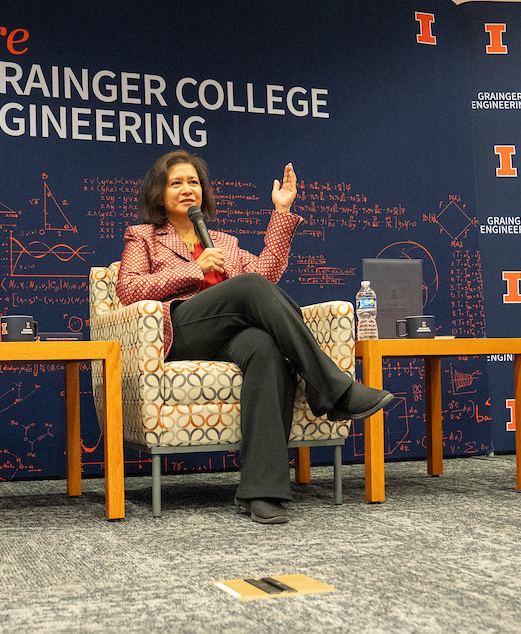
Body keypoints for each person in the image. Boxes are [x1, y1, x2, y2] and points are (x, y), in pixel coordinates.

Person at [116, 150, 394, 524]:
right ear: (159, 193)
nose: (187, 190)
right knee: (248, 287)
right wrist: (192, 272)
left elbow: (267, 274)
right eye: (176, 183)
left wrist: (281, 213)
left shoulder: (223, 241)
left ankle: (261, 492)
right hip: (177, 330)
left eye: (194, 182)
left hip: (228, 335)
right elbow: (129, 290)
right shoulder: (145, 237)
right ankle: (332, 388)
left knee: (266, 349)